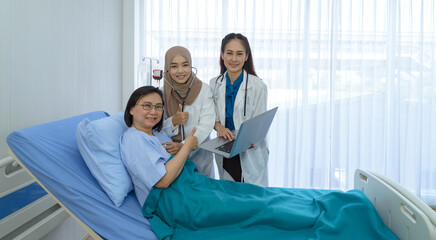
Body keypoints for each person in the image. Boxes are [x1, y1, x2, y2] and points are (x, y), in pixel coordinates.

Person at [119, 86, 397, 240]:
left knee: (261, 195)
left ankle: (335, 204)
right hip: (179, 202)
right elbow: (163, 179)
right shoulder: (133, 140)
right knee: (259, 206)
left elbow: (167, 163)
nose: (154, 111)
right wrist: (188, 147)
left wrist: (180, 148)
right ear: (131, 108)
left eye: (157, 106)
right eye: (146, 105)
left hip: (193, 188)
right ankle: (338, 215)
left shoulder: (151, 136)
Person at [209, 33, 269, 186]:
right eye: (229, 53)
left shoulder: (257, 86)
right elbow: (211, 116)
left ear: (246, 56)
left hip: (249, 149)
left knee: (253, 197)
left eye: (239, 54)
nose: (234, 59)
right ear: (222, 55)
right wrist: (220, 127)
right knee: (229, 193)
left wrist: (250, 140)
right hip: (225, 146)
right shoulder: (214, 83)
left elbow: (260, 122)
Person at [161, 46, 215, 177]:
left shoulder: (204, 90)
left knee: (202, 193)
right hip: (172, 155)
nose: (180, 71)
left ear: (191, 66)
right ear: (167, 68)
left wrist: (184, 146)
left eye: (185, 65)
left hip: (200, 154)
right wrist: (173, 121)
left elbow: (206, 125)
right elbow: (157, 127)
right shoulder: (162, 94)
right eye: (174, 66)